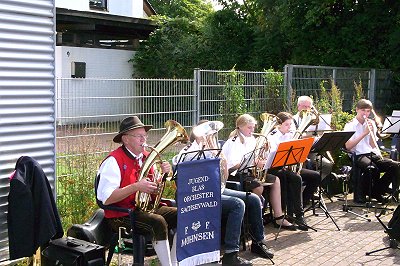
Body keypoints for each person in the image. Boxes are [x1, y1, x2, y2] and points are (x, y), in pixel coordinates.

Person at [97, 116, 177, 266]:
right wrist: (136, 186)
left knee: (183, 215)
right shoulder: (114, 161)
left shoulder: (148, 157)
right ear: (126, 139)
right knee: (158, 222)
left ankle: (174, 262)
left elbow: (154, 190)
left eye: (145, 136)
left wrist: (164, 175)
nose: (144, 140)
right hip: (120, 214)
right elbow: (106, 199)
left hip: (144, 209)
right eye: (139, 136)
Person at [175, 121, 252, 265]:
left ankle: (251, 245)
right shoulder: (188, 152)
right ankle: (230, 254)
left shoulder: (214, 151)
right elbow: (183, 177)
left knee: (250, 199)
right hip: (195, 197)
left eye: (212, 135)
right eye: (208, 135)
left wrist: (219, 156)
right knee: (237, 204)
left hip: (213, 193)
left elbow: (224, 177)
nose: (210, 138)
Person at [267, 112, 320, 231]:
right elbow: (273, 158)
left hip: (288, 168)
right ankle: (299, 216)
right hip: (275, 169)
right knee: (296, 178)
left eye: (290, 124)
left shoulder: (290, 134)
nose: (290, 127)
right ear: (278, 125)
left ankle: (301, 205)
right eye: (287, 125)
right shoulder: (272, 136)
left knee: (315, 176)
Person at [344, 99, 400, 203]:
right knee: (372, 168)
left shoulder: (371, 123)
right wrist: (364, 133)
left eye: (368, 111)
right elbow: (348, 146)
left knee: (395, 166)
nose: (366, 113)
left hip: (371, 153)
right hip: (358, 154)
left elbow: (373, 144)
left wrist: (371, 132)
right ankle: (364, 193)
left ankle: (377, 191)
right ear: (357, 110)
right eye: (363, 110)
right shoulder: (350, 125)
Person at [292, 95, 334, 180]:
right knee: (303, 167)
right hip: (298, 151)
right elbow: (292, 138)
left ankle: (314, 185)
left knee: (327, 165)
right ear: (298, 106)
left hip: (313, 150)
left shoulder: (316, 120)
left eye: (309, 107)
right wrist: (307, 136)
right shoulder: (293, 120)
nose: (307, 109)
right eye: (304, 106)